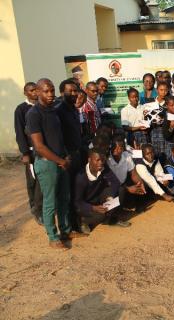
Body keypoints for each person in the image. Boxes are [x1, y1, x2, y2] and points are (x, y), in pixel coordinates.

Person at [26, 79, 74, 249]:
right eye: (46, 91)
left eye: (52, 90)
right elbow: (39, 145)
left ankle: (65, 230)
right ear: (37, 92)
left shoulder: (53, 111)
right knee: (50, 202)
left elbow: (58, 137)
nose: (50, 94)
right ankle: (53, 237)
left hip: (61, 161)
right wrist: (60, 161)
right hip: (47, 164)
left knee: (64, 199)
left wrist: (65, 156)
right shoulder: (34, 114)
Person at [74, 148, 132, 232]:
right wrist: (93, 208)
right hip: (86, 206)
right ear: (89, 160)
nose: (100, 163)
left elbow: (115, 182)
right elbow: (77, 202)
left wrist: (110, 196)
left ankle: (109, 219)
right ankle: (84, 221)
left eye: (102, 160)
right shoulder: (81, 177)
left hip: (99, 200)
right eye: (97, 160)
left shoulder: (103, 168)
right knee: (100, 215)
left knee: (121, 190)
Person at [57, 79, 85, 233]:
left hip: (77, 154)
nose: (74, 94)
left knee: (77, 189)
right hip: (67, 158)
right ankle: (67, 228)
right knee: (66, 193)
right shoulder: (58, 111)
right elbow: (57, 137)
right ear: (62, 92)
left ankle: (77, 222)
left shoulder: (73, 109)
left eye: (76, 91)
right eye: (71, 91)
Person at [14, 82, 43, 225]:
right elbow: (20, 132)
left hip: (44, 150)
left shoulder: (41, 107)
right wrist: (25, 153)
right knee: (33, 181)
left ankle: (44, 206)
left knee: (43, 180)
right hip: (31, 152)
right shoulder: (21, 109)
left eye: (36, 90)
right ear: (25, 93)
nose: (34, 93)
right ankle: (36, 208)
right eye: (31, 91)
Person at [107, 135, 147, 215]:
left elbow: (133, 174)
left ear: (123, 149)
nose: (116, 150)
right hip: (112, 187)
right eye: (115, 147)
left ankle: (132, 205)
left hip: (124, 183)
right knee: (122, 191)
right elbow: (108, 182)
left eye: (120, 148)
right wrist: (128, 188)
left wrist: (140, 183)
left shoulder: (126, 155)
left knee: (140, 184)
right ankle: (115, 214)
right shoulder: (108, 159)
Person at [144, 81, 168, 158]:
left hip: (165, 131)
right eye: (161, 90)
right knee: (156, 153)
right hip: (153, 131)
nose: (163, 92)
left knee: (166, 153)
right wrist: (145, 115)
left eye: (165, 90)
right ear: (157, 90)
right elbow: (146, 119)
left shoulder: (169, 103)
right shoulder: (149, 102)